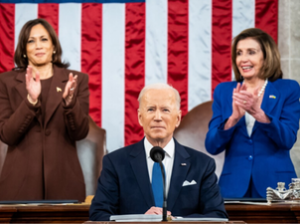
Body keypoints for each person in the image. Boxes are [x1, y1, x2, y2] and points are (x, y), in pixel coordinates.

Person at [89, 83, 227, 221]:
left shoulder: (202, 165)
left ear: (177, 118)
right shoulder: (115, 163)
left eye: (165, 110)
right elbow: (99, 215)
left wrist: (176, 221)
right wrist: (139, 221)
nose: (158, 117)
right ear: (140, 118)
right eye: (151, 109)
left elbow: (216, 215)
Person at [0, 19, 89, 201]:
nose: (38, 46)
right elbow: (7, 135)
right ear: (24, 49)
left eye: (44, 39)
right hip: (19, 186)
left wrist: (70, 104)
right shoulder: (5, 81)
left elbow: (80, 132)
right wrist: (31, 101)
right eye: (31, 41)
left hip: (65, 184)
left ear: (54, 46)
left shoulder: (76, 80)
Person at [205, 28, 300, 198]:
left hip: (277, 189)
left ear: (266, 56)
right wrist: (233, 119)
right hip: (233, 189)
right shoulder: (224, 91)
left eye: (251, 52)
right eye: (239, 53)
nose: (243, 59)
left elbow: (288, 140)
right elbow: (212, 146)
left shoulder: (288, 89)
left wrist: (260, 115)